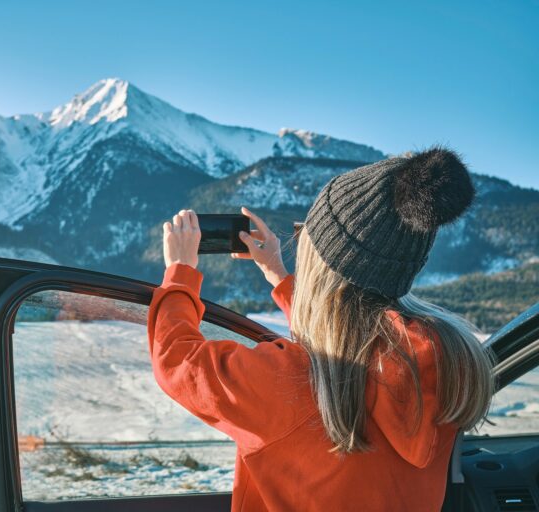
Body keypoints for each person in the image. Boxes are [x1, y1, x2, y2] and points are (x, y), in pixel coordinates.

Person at [146, 146, 496, 512]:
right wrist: (279, 276)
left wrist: (180, 271)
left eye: (305, 235)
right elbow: (354, 338)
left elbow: (177, 362)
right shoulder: (447, 363)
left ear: (321, 263)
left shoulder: (288, 382)